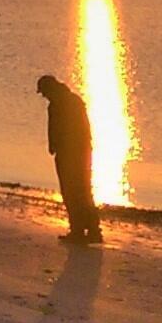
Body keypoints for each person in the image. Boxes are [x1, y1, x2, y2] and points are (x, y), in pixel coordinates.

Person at [35, 74, 103, 244]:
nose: (43, 95)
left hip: (71, 153)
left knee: (73, 192)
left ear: (50, 89)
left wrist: (57, 147)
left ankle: (80, 230)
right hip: (80, 151)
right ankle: (91, 229)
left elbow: (66, 129)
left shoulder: (61, 104)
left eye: (43, 92)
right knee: (83, 190)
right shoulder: (73, 101)